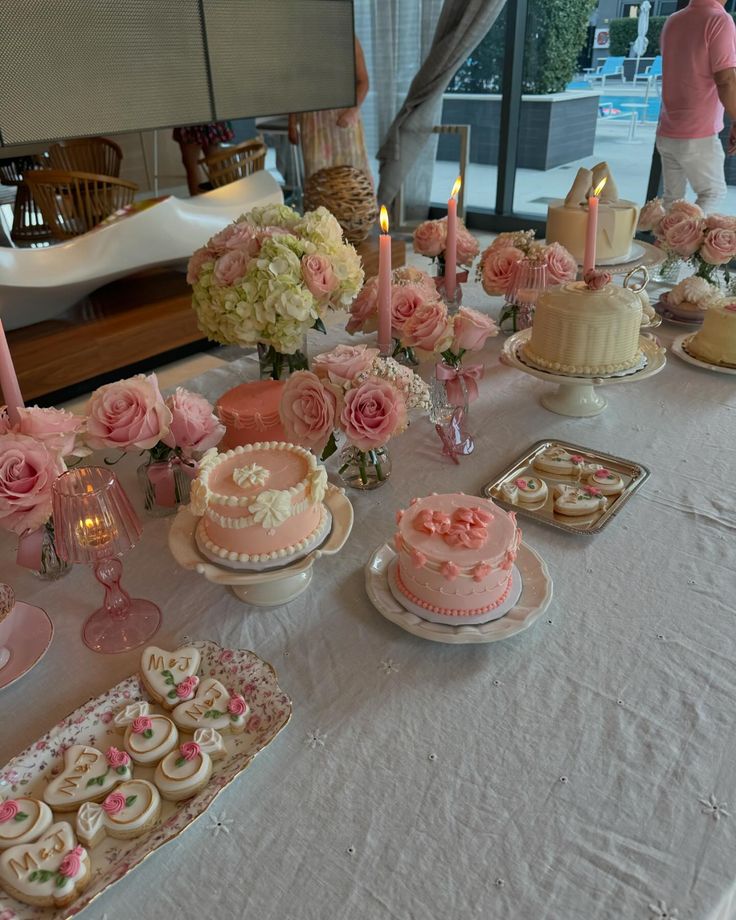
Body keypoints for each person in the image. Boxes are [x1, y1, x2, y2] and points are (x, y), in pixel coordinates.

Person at [656, 0, 736, 213]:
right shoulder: (719, 20)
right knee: (713, 192)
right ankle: (679, 242)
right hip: (697, 133)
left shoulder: (673, 21)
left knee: (672, 201)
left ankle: (666, 244)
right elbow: (726, 79)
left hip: (667, 130)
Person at [288, 36, 372, 184]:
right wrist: (292, 122)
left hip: (344, 118)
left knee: (354, 178)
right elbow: (295, 85)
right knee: (318, 180)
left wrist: (352, 111)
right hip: (312, 122)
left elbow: (363, 82)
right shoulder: (301, 40)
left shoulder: (348, 38)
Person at [172, 121, 235, 196]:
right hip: (209, 119)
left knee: (192, 165)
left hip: (190, 121)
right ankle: (220, 199)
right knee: (215, 164)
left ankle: (199, 202)